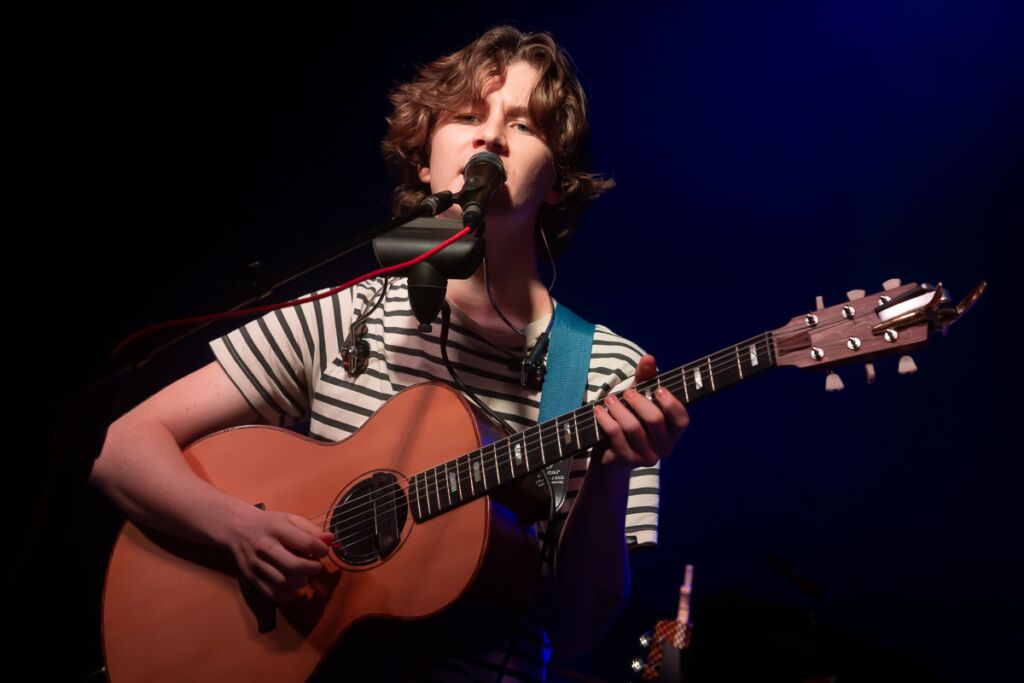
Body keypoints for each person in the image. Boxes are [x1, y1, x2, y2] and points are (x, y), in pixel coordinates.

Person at [90, 26, 689, 681]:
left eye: (523, 125)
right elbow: (121, 448)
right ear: (426, 159)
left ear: (556, 180)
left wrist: (610, 472)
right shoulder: (350, 313)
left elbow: (575, 632)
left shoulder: (610, 370)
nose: (490, 137)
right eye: (468, 116)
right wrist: (239, 529)